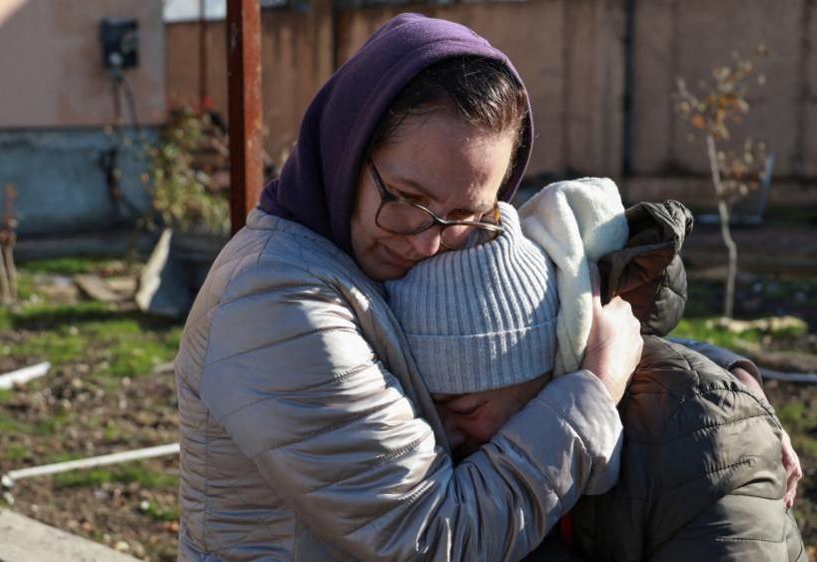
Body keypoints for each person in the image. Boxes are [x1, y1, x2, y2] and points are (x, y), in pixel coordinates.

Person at [175, 14, 641, 561]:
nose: (427, 243)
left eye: (465, 212)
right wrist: (595, 389)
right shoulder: (274, 301)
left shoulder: (375, 254)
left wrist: (731, 396)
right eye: (406, 196)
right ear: (349, 148)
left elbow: (548, 318)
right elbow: (434, 538)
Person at [385, 183, 807, 561]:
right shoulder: (479, 446)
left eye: (464, 407)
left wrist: (738, 393)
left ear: (547, 369)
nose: (443, 433)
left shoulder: (702, 439)